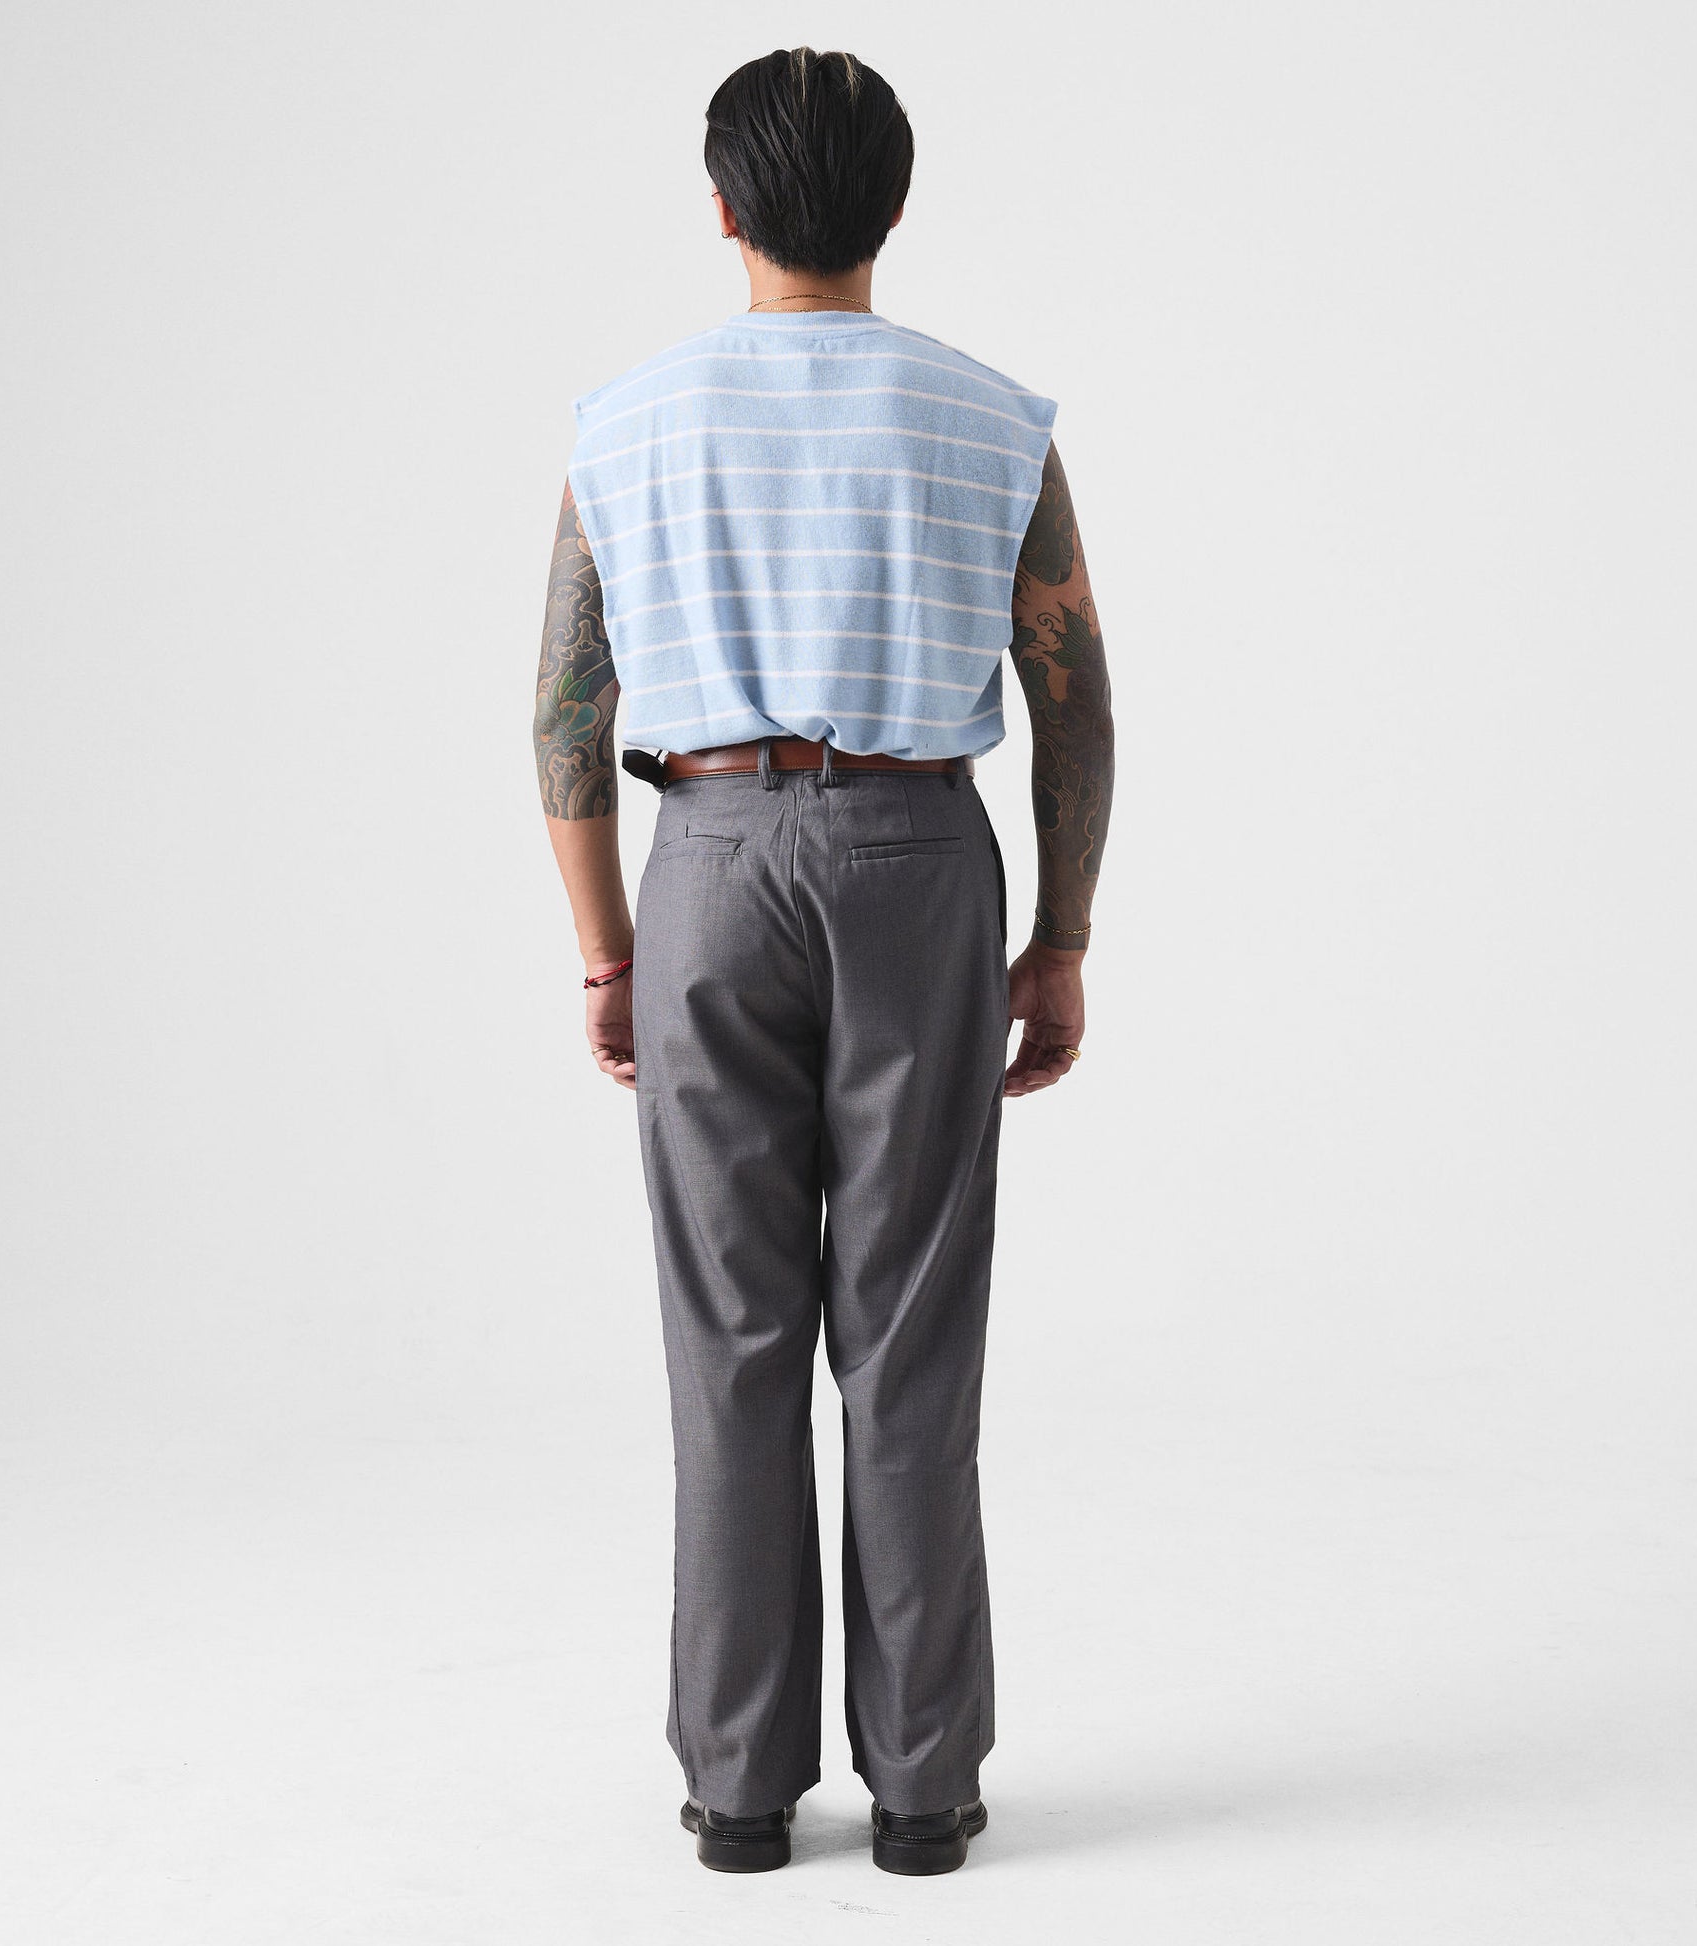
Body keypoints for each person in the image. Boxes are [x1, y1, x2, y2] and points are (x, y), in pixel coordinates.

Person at [532, 46, 1114, 1877]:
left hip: (706, 861)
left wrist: (609, 950)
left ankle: (738, 1788)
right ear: (895, 204)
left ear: (721, 208)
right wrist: (1059, 936)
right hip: (918, 857)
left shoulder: (625, 423)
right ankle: (925, 1789)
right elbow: (1075, 704)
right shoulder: (987, 416)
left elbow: (563, 713)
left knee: (731, 1336)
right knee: (910, 1335)